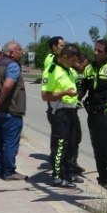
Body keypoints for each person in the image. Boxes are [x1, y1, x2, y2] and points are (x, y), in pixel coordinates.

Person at [0, 41, 27, 181]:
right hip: (10, 111)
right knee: (10, 143)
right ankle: (8, 172)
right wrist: (0, 101)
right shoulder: (12, 65)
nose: (22, 52)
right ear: (12, 52)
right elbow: (8, 85)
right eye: (20, 50)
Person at [79, 39, 107, 186]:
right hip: (93, 116)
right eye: (95, 50)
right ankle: (103, 180)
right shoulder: (88, 69)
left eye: (100, 51)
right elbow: (83, 89)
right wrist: (78, 98)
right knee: (98, 150)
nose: (95, 53)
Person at [42, 44, 81, 188]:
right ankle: (57, 177)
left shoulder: (69, 70)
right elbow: (45, 96)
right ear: (65, 57)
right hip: (60, 112)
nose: (74, 64)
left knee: (72, 144)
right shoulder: (52, 71)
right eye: (72, 61)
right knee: (60, 146)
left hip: (71, 111)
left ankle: (69, 173)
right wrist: (65, 93)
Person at [44, 36, 65, 167]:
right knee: (58, 133)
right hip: (56, 100)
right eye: (62, 46)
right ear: (54, 47)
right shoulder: (51, 59)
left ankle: (58, 158)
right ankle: (55, 159)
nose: (64, 48)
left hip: (63, 102)